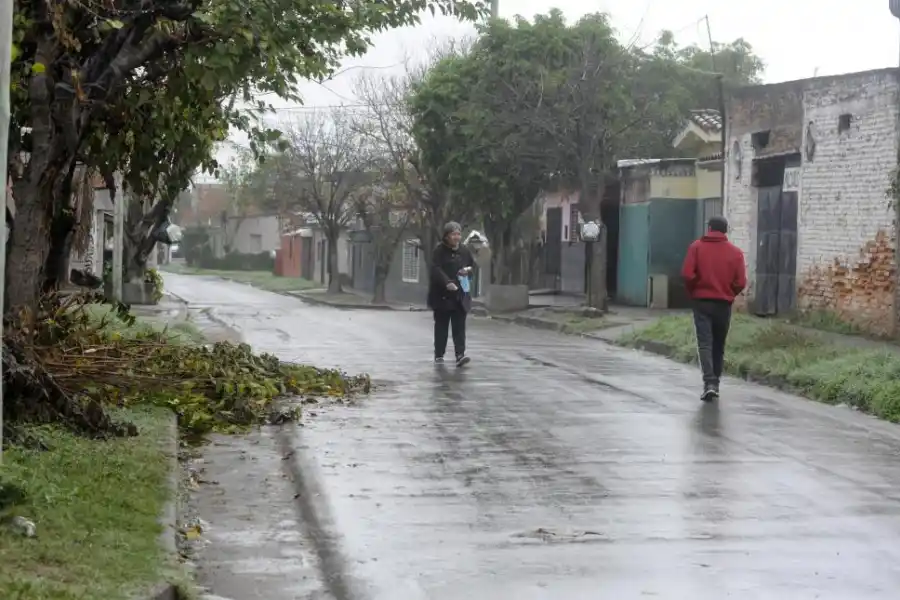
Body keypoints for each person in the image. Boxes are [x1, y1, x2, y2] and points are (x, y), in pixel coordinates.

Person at [681, 215, 747, 401]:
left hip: (701, 302)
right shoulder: (736, 253)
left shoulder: (696, 247)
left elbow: (687, 274)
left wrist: (694, 291)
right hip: (723, 303)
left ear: (709, 228)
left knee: (705, 343)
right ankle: (715, 384)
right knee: (719, 344)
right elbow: (740, 282)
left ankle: (709, 382)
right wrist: (729, 293)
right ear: (726, 231)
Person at [428, 221, 476, 367]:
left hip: (460, 295)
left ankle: (460, 355)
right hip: (442, 295)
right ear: (446, 236)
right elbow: (435, 269)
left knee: (459, 326)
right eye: (453, 234)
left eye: (458, 234)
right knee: (441, 326)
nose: (457, 237)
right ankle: (439, 355)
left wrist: (467, 271)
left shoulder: (464, 250)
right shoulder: (439, 251)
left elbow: (472, 266)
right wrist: (447, 282)